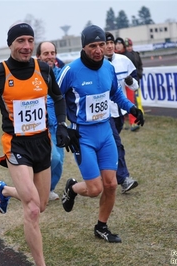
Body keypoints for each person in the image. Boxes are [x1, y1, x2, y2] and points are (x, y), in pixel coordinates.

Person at [0, 22, 70, 266]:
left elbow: (57, 97)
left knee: (42, 204)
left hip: (42, 143)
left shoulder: (44, 69)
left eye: (29, 41)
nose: (26, 46)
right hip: (16, 145)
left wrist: (64, 125)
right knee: (33, 209)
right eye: (20, 41)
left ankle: (3, 190)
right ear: (10, 44)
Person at [57, 25, 144, 243]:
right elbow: (53, 98)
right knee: (94, 189)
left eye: (101, 45)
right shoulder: (70, 70)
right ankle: (73, 188)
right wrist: (61, 125)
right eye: (92, 46)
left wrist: (131, 108)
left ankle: (101, 226)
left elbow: (115, 93)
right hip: (82, 135)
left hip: (105, 132)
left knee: (112, 184)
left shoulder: (108, 68)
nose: (98, 50)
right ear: (84, 47)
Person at [104, 32, 139, 193]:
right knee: (117, 145)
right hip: (105, 114)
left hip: (120, 113)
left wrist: (129, 80)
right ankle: (124, 178)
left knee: (109, 147)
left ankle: (103, 173)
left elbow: (135, 86)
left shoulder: (124, 61)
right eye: (106, 43)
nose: (110, 46)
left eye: (111, 42)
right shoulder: (97, 65)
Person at [36, 41, 64, 201]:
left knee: (59, 162)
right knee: (53, 158)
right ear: (38, 56)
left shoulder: (61, 73)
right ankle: (38, 186)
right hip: (41, 126)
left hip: (59, 125)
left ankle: (49, 189)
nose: (50, 56)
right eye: (46, 53)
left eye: (52, 53)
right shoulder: (33, 75)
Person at [115, 37, 143, 131]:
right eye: (117, 44)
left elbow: (136, 69)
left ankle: (133, 122)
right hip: (119, 85)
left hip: (129, 83)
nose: (118, 46)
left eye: (120, 44)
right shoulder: (114, 56)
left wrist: (135, 79)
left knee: (131, 102)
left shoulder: (129, 56)